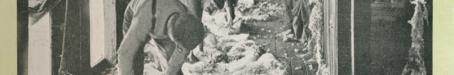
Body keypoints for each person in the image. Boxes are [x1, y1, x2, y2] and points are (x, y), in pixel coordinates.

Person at [117, 0, 205, 75]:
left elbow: (182, 49)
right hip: (138, 14)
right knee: (135, 60)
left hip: (163, 20)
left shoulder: (186, 17)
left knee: (175, 67)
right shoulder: (145, 16)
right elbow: (125, 53)